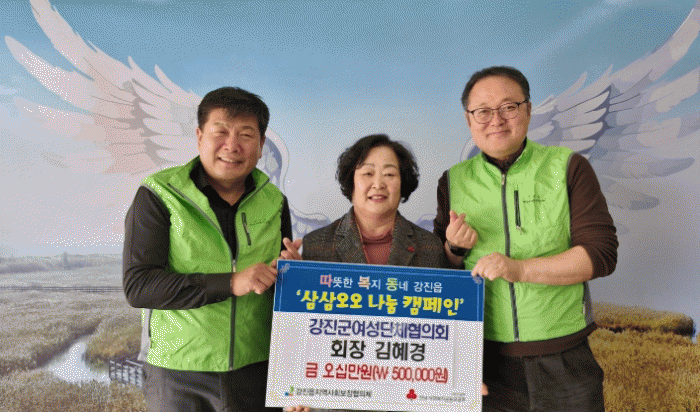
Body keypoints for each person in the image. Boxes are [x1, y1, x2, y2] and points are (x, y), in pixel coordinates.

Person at [433, 66, 618, 411]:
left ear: (529, 110)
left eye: (509, 107)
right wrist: (454, 248)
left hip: (564, 357)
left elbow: (601, 254)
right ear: (469, 119)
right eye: (483, 111)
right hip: (485, 359)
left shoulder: (568, 167)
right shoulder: (453, 181)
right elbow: (442, 270)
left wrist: (519, 270)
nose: (496, 120)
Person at [123, 86, 289, 412]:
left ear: (260, 145)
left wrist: (292, 271)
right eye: (220, 131)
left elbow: (277, 284)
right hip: (178, 371)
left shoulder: (275, 201)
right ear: (200, 136)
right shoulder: (160, 194)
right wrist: (231, 282)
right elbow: (139, 286)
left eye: (246, 134)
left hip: (256, 367)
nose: (232, 145)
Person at [280, 134, 452, 412]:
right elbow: (305, 336)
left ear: (403, 183)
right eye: (368, 173)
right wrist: (296, 388)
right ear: (351, 182)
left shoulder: (429, 246)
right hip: (337, 402)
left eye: (390, 174)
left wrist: (458, 381)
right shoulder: (316, 244)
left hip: (408, 400)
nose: (378, 184)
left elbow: (443, 333)